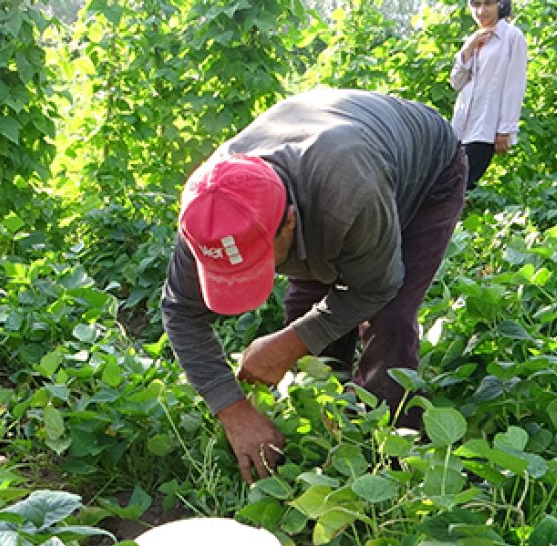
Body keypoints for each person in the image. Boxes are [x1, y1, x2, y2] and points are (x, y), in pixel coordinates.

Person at [161, 88, 467, 482]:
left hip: (424, 174)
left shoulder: (351, 191)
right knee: (306, 318)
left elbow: (376, 288)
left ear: (289, 222)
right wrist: (232, 408)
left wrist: (289, 345)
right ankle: (326, 424)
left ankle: (390, 457)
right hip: (326, 176)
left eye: (262, 259)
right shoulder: (211, 213)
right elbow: (181, 311)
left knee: (388, 318)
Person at [450, 0, 528, 190]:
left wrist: (505, 129)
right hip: (461, 125)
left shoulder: (512, 37)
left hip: (486, 126)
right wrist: (468, 47)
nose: (481, 11)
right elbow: (456, 83)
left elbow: (515, 85)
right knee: (449, 182)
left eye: (488, 4)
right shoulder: (474, 39)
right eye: (475, 5)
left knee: (462, 184)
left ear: (500, 4)